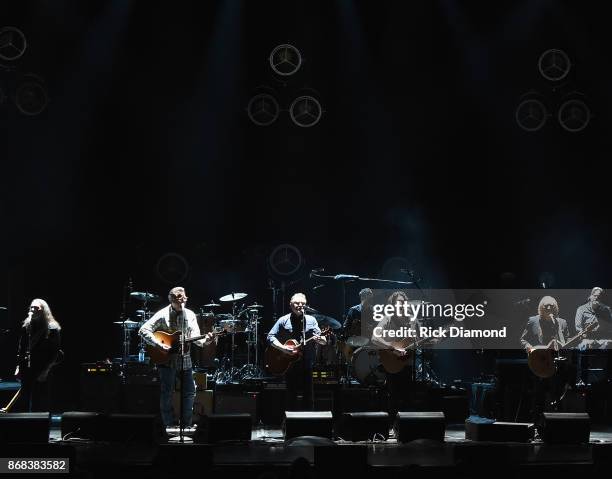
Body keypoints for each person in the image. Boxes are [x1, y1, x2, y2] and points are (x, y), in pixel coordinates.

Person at [139, 287, 214, 429]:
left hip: (185, 360)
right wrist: (159, 345)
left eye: (183, 297)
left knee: (190, 392)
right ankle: (168, 424)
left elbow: (197, 339)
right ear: (171, 299)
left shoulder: (190, 315)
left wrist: (208, 340)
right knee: (167, 393)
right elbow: (143, 330)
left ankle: (186, 425)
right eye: (178, 297)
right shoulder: (162, 315)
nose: (182, 300)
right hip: (167, 361)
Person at [267, 293, 327, 410]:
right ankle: (289, 423)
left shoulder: (311, 320)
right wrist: (282, 348)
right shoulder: (283, 320)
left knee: (309, 397)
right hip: (289, 364)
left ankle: (309, 423)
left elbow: (322, 340)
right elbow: (270, 337)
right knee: (291, 396)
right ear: (290, 305)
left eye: (303, 303)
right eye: (297, 303)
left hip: (307, 363)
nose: (300, 305)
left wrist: (322, 340)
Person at [520, 296, 572, 419]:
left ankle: (558, 422)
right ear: (541, 308)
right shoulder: (533, 321)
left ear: (555, 308)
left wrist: (563, 344)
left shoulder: (562, 323)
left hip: (556, 365)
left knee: (557, 394)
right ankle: (537, 422)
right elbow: (523, 339)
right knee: (538, 395)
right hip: (539, 362)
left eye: (551, 306)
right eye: (546, 306)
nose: (549, 308)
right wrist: (530, 348)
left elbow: (568, 339)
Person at [371, 290, 419, 415]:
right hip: (392, 363)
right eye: (400, 302)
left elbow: (415, 340)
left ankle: (406, 427)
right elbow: (374, 338)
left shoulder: (412, 321)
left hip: (407, 363)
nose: (403, 304)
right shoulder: (387, 319)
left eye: (404, 302)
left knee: (407, 397)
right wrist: (392, 348)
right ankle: (392, 424)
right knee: (393, 397)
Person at [14, 299, 62, 412]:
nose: (32, 310)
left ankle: (40, 427)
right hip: (27, 368)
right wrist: (18, 367)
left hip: (42, 369)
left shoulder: (52, 328)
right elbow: (21, 348)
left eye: (36, 308)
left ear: (43, 310)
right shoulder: (27, 327)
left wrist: (46, 371)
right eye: (31, 307)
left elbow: (55, 353)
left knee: (40, 402)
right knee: (24, 400)